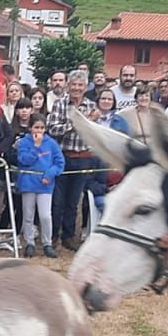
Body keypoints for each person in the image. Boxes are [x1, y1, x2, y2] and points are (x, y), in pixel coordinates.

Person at [46, 70, 97, 250]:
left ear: (85, 87)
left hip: (83, 158)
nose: (76, 88)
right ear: (68, 85)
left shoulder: (91, 106)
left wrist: (89, 123)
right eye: (74, 84)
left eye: (80, 85)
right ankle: (52, 236)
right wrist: (76, 123)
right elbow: (53, 129)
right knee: (57, 200)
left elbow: (93, 132)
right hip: (62, 157)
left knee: (73, 201)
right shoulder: (60, 104)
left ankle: (68, 236)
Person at [15, 116, 63, 258]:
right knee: (28, 215)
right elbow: (24, 160)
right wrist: (35, 147)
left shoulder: (52, 143)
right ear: (30, 128)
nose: (39, 131)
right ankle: (30, 243)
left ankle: (47, 243)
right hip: (28, 184)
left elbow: (59, 162)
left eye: (42, 128)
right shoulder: (24, 142)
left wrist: (49, 174)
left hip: (45, 185)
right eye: (36, 127)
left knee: (45, 215)